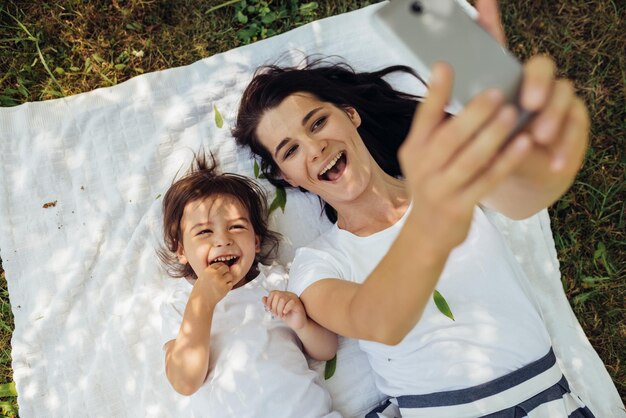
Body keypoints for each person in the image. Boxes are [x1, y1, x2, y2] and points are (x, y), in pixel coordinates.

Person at [232, 0, 595, 416]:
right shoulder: (318, 263)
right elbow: (380, 320)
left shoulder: (444, 180)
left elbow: (523, 198)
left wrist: (504, 98)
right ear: (289, 179)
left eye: (317, 123)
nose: (316, 148)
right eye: (291, 150)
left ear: (351, 115)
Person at [158, 153, 340, 417]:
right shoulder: (181, 304)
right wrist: (202, 302)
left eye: (236, 227)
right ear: (182, 251)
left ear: (256, 242)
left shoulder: (277, 281)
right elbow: (185, 382)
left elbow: (327, 350)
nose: (222, 240)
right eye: (204, 232)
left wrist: (302, 323)